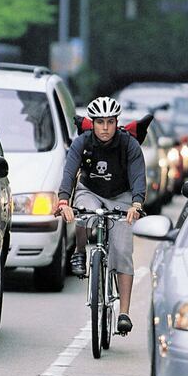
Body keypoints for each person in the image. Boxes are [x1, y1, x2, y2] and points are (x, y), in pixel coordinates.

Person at [57, 96, 146, 334]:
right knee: (83, 212)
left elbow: (138, 176)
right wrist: (64, 200)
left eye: (110, 122)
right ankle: (79, 252)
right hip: (91, 191)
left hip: (122, 197)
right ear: (92, 123)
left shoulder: (129, 145)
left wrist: (136, 204)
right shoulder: (82, 143)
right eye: (100, 122)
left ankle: (124, 313)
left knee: (123, 252)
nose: (105, 128)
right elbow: (69, 172)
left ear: (117, 122)